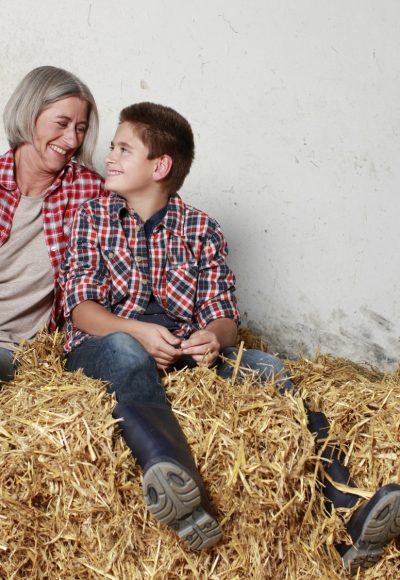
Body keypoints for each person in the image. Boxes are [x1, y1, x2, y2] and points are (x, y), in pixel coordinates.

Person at [61, 103, 400, 569]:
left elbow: (224, 315)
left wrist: (212, 339)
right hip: (106, 347)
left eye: (123, 148)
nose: (109, 156)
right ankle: (180, 489)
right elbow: (81, 309)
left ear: (160, 166)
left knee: (268, 368)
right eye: (113, 147)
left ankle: (350, 512)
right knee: (124, 350)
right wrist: (136, 330)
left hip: (180, 352)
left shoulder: (201, 229)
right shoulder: (90, 218)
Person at [0, 66, 105, 383]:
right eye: (62, 123)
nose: (72, 139)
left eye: (81, 128)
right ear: (28, 114)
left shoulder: (91, 193)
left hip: (18, 353)